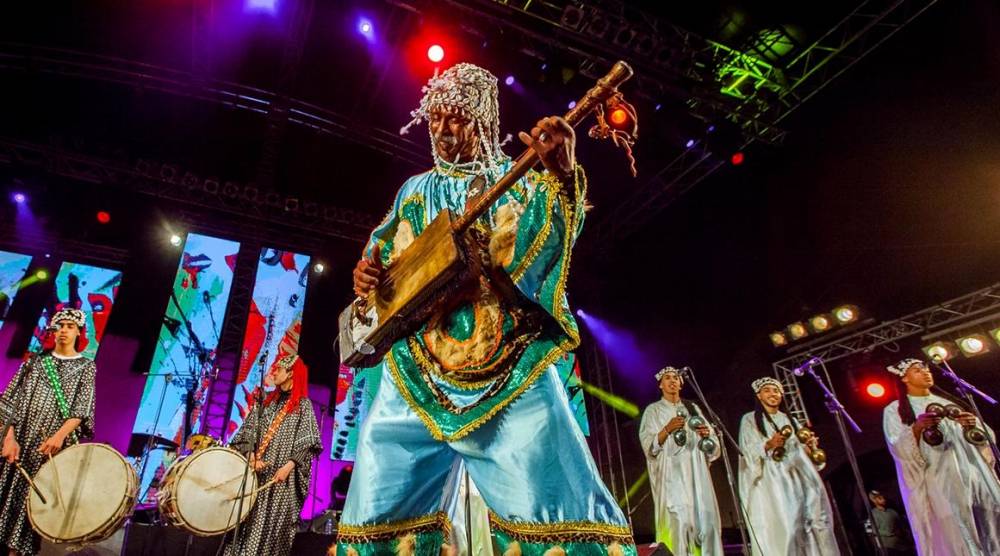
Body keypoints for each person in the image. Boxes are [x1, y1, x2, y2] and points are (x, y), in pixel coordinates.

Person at [333, 63, 634, 555]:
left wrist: (559, 174)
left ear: (484, 121)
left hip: (508, 368)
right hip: (414, 372)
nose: (443, 131)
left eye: (457, 119)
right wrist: (367, 274)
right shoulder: (414, 190)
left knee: (558, 509)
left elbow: (542, 254)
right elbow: (383, 261)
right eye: (435, 119)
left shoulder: (514, 180)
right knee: (376, 517)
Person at [0, 308, 97, 556]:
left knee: (28, 505)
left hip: (48, 448)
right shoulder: (34, 362)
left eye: (69, 326)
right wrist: (8, 439)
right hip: (17, 441)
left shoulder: (86, 367)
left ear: (79, 332)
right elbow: (8, 401)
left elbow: (81, 409)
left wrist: (59, 436)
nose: (63, 330)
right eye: (60, 325)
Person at [881, 357, 1000, 555]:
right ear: (904, 378)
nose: (926, 372)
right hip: (940, 478)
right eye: (917, 370)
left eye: (926, 368)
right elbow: (897, 447)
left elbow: (987, 441)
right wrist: (917, 428)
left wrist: (973, 426)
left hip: (972, 474)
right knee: (957, 529)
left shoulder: (948, 403)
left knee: (989, 521)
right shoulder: (895, 410)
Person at [222, 353, 322, 556]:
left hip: (280, 483)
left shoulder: (303, 406)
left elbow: (308, 443)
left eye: (279, 369)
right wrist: (251, 457)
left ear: (291, 373)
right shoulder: (266, 403)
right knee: (244, 528)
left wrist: (287, 467)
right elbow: (246, 433)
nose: (273, 372)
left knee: (269, 531)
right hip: (255, 477)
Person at [738, 377, 840, 555]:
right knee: (788, 525)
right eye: (768, 390)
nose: (773, 394)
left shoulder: (790, 419)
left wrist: (810, 447)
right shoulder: (750, 419)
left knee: (813, 522)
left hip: (799, 477)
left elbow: (801, 452)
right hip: (774, 479)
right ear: (759, 396)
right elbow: (748, 451)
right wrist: (769, 444)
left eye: (776, 391)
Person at [638, 366, 722, 555]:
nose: (673, 380)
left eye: (676, 377)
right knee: (678, 523)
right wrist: (667, 429)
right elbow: (649, 448)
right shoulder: (654, 410)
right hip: (672, 476)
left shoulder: (693, 408)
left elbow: (713, 447)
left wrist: (706, 434)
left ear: (681, 383)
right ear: (660, 385)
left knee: (705, 524)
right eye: (667, 378)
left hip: (696, 475)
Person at [867, 490, 913, 554]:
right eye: (878, 497)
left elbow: (902, 527)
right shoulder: (872, 514)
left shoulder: (892, 512)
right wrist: (887, 533)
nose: (882, 498)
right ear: (874, 501)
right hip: (887, 546)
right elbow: (869, 530)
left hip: (900, 544)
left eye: (881, 496)